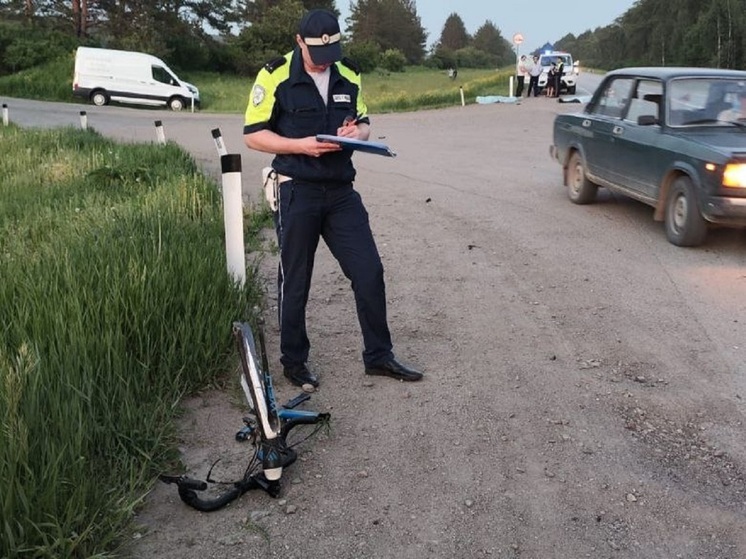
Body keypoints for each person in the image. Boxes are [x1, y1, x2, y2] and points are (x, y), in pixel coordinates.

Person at [243, 9, 423, 388]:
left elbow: (364, 122)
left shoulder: (349, 72)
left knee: (369, 270)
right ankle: (294, 362)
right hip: (296, 188)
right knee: (297, 280)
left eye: (332, 54)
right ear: (298, 42)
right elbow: (253, 134)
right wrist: (299, 146)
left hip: (341, 191)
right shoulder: (274, 74)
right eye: (317, 55)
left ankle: (378, 356)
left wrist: (357, 132)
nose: (325, 63)